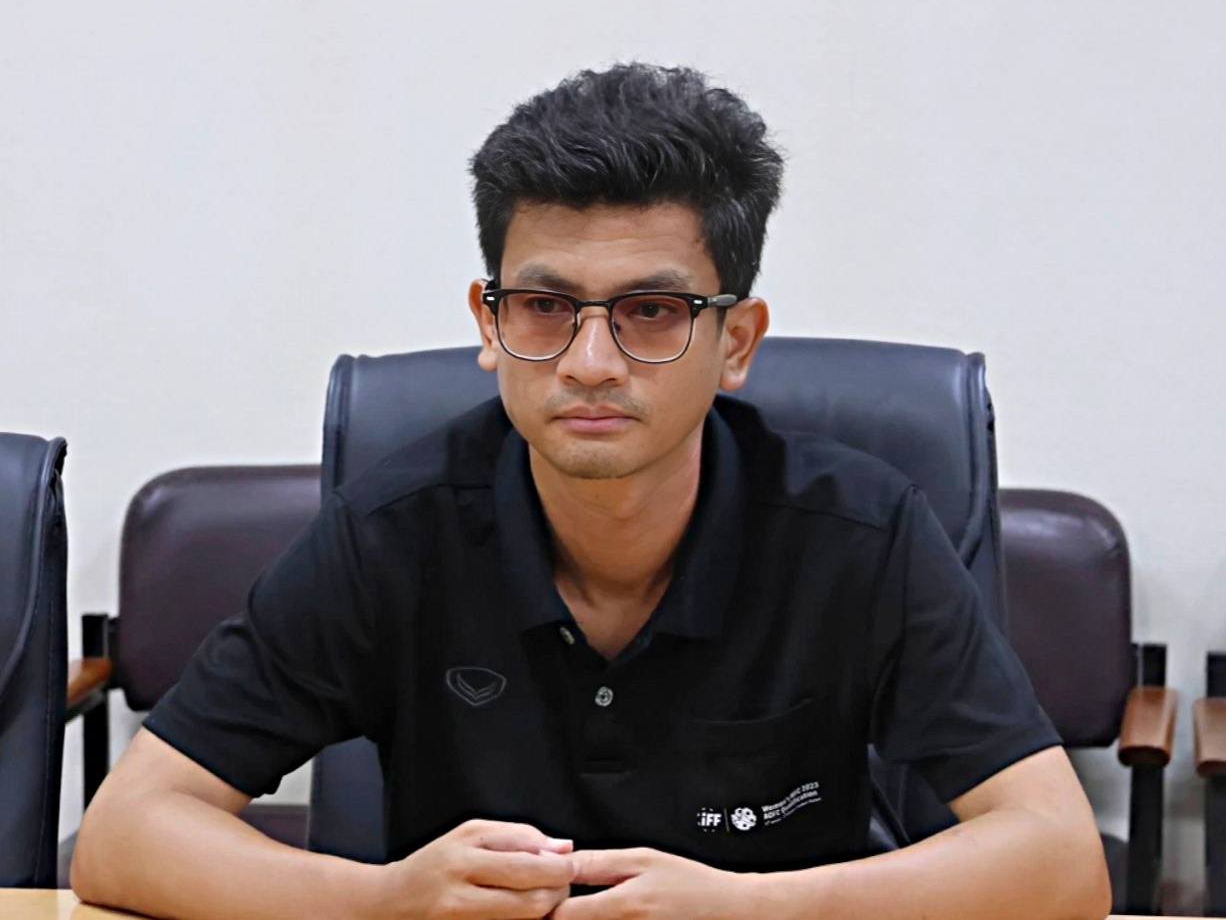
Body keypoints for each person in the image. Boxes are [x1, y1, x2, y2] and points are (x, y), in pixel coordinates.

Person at [72, 63, 1110, 919]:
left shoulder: (858, 531)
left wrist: (751, 908)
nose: (590, 362)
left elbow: (1059, 859)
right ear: (489, 323)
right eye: (544, 305)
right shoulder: (397, 529)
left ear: (735, 342)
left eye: (651, 310)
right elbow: (126, 833)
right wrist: (381, 900)